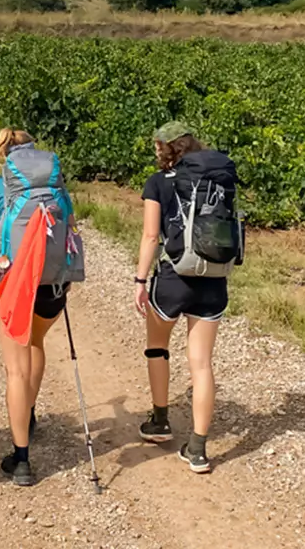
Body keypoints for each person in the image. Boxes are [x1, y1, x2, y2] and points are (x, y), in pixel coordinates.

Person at [0, 128, 81, 487]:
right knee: (36, 344)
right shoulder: (58, 191)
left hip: (14, 289)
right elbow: (70, 231)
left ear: (6, 155)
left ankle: (21, 459)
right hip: (52, 286)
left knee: (15, 370)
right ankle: (29, 414)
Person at [133, 121, 239, 474]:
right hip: (213, 279)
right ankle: (197, 449)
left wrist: (139, 279)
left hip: (174, 277)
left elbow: (151, 237)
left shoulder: (157, 183)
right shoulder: (218, 181)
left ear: (165, 148)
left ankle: (160, 421)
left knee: (157, 347)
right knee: (202, 364)